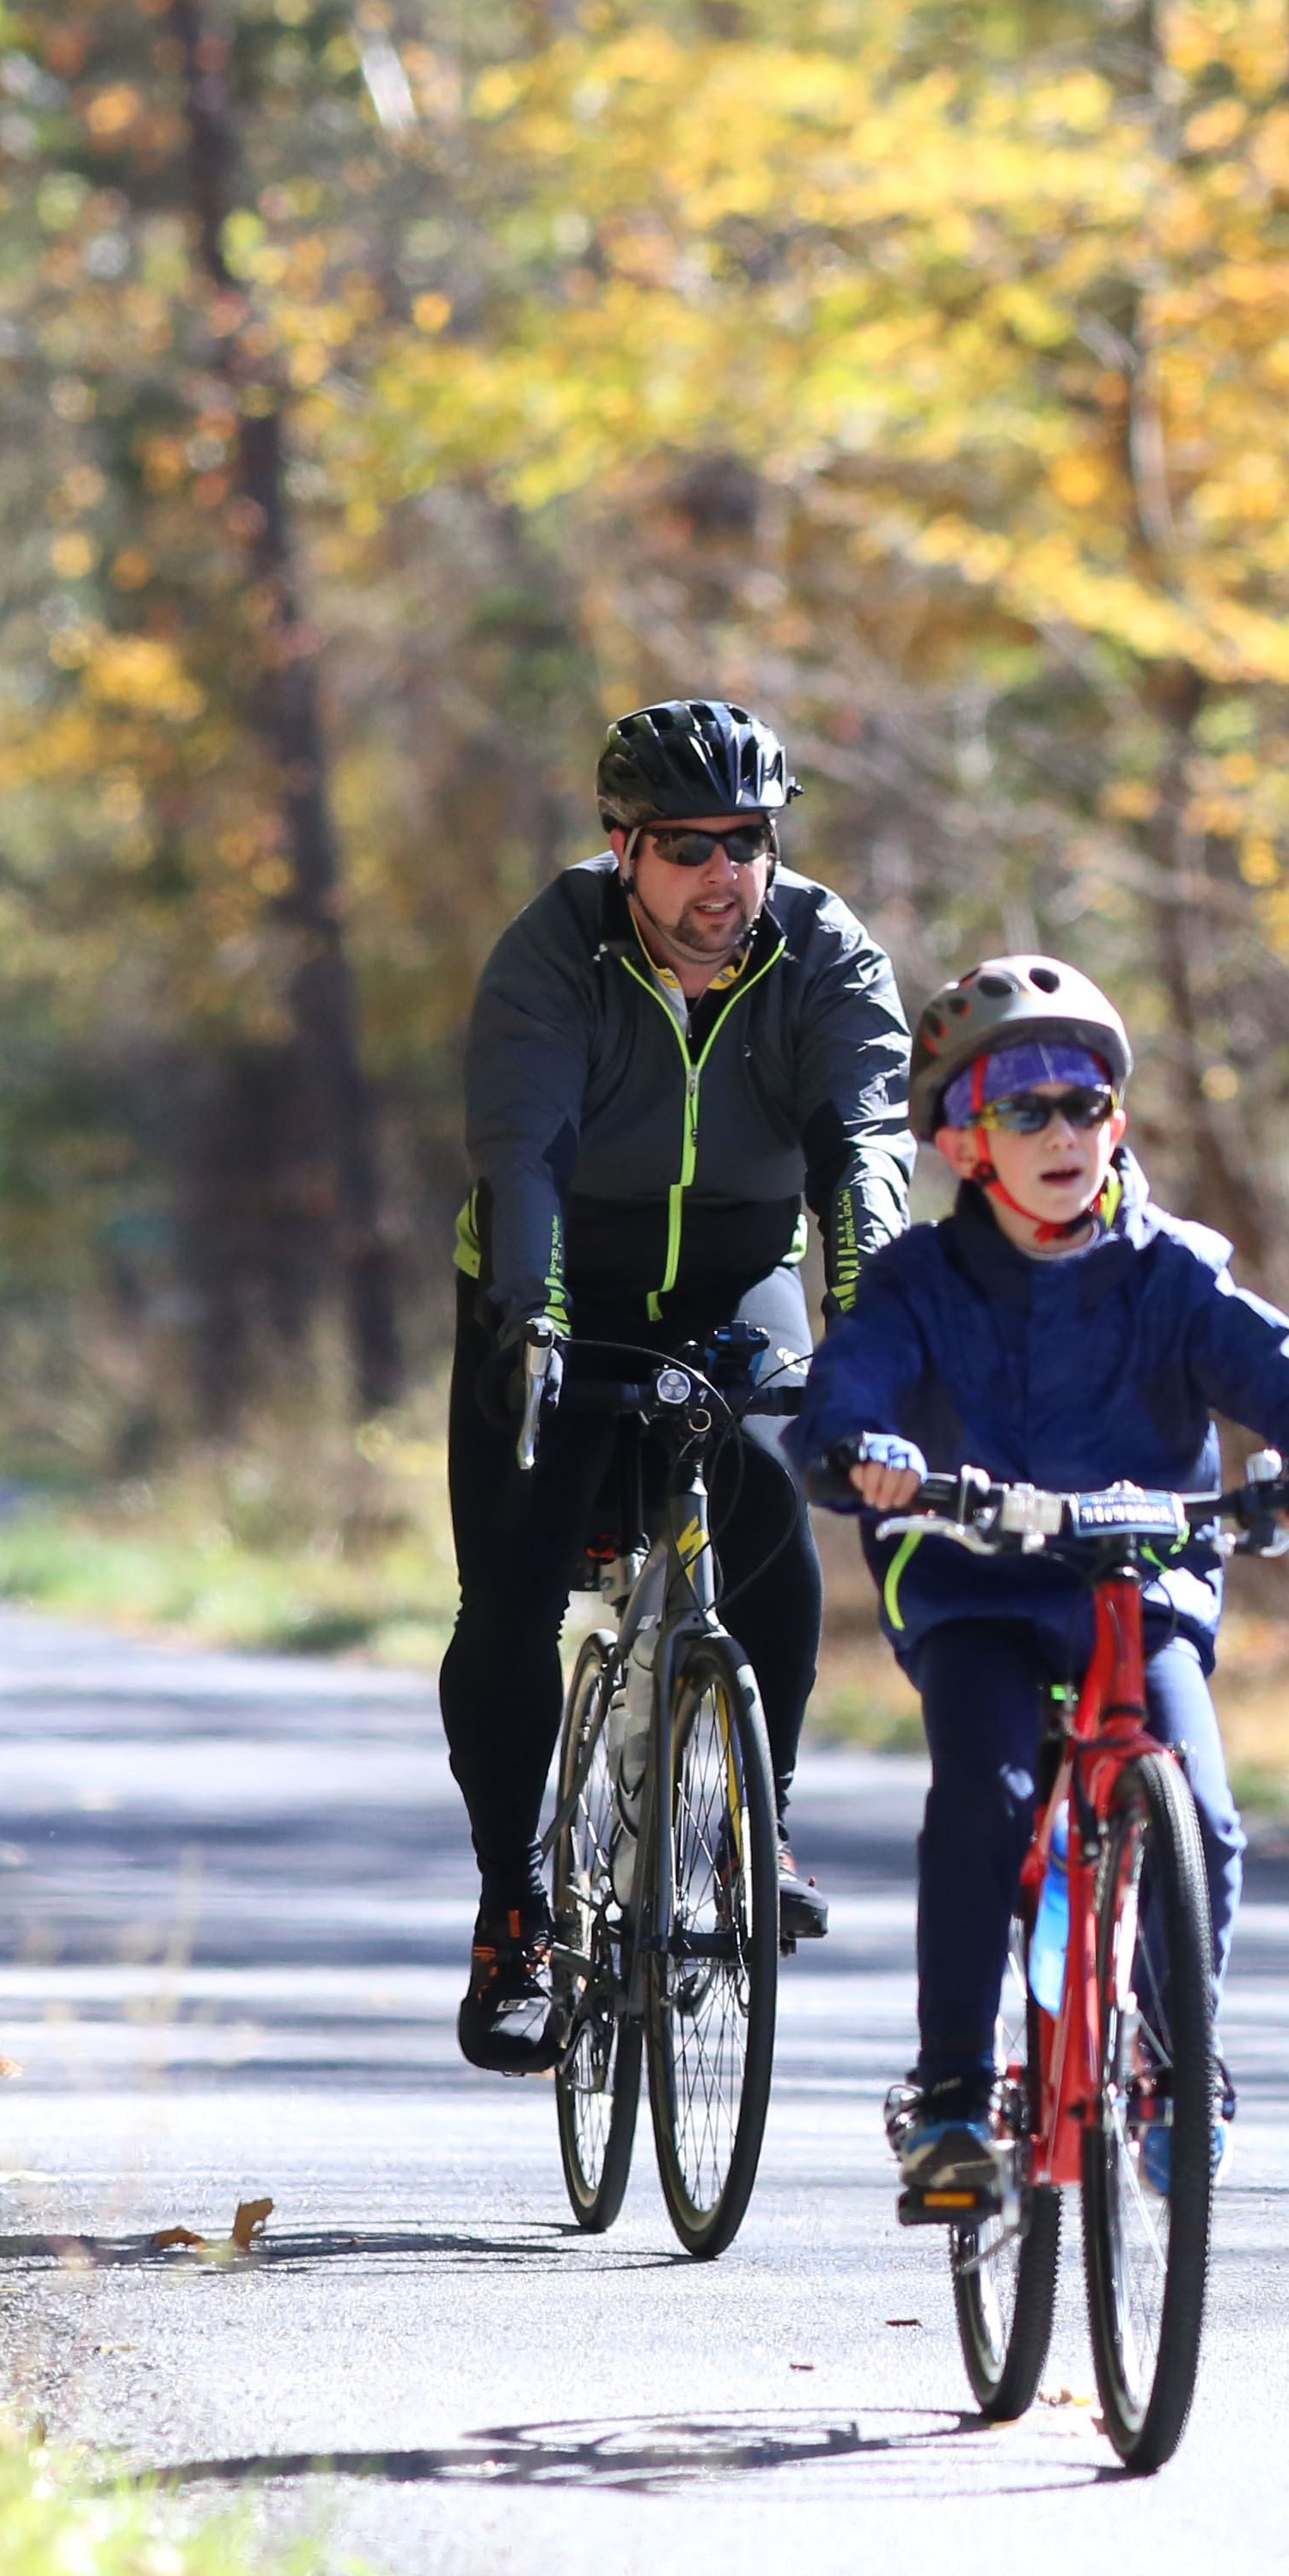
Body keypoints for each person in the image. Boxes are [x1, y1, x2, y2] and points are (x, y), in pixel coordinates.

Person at [793, 955, 1289, 2212]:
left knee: (1201, 1815)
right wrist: (869, 1453)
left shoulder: (1173, 1271)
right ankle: (951, 2096)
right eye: (1024, 1104)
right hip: (975, 1591)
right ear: (962, 1139)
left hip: (1141, 1582)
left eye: (1087, 1100)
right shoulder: (917, 1285)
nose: (1063, 1129)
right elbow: (849, 1393)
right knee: (987, 1796)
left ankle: (1180, 2073)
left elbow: (1287, 1373)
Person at [447, 699, 913, 2076]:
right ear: (621, 848)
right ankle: (513, 1916)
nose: (723, 877)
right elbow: (520, 1154)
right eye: (687, 849)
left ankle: (746, 1828)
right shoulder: (553, 956)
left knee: (773, 1521)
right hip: (563, 1280)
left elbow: (865, 1147)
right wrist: (530, 1325)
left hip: (732, 1275)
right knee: (515, 1594)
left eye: (749, 844)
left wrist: (867, 1326)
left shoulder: (822, 951)